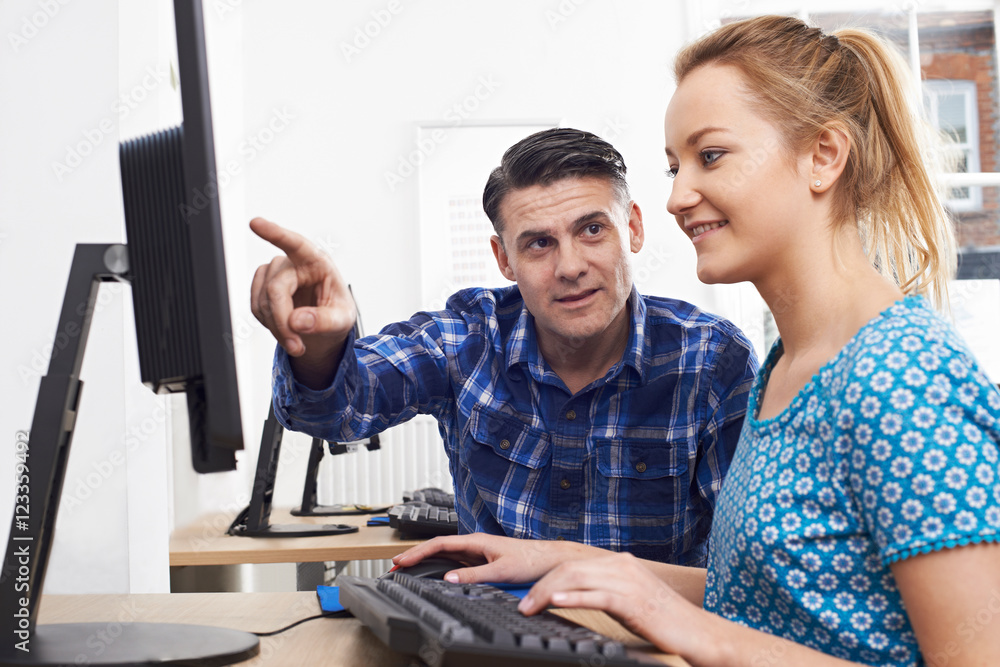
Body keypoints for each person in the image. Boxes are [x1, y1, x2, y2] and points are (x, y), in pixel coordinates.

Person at [392, 15, 1000, 666]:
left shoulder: (905, 378)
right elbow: (763, 609)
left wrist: (687, 627)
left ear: (823, 156)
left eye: (710, 156)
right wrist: (567, 560)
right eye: (674, 166)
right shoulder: (785, 368)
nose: (679, 196)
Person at [250, 128, 758, 565]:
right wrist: (321, 344)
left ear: (633, 228)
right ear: (503, 259)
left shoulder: (712, 360)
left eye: (593, 229)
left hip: (651, 643)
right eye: (539, 243)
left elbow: (744, 564)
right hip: (492, 637)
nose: (570, 266)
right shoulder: (468, 338)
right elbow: (336, 410)